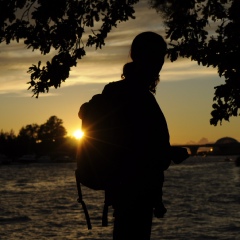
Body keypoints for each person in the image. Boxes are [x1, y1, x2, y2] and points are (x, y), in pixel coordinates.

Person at [102, 31, 189, 239]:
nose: (160, 64)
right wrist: (170, 153)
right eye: (158, 57)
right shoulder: (140, 98)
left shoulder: (114, 91)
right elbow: (141, 149)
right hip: (136, 193)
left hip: (121, 190)